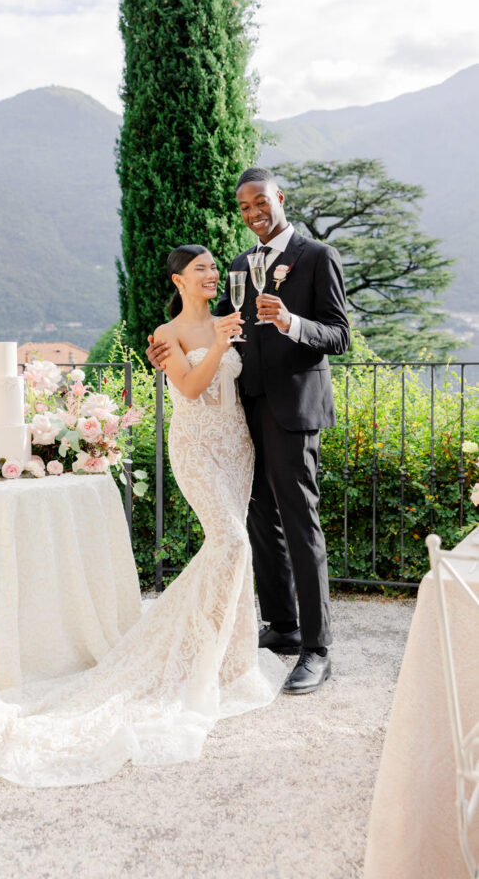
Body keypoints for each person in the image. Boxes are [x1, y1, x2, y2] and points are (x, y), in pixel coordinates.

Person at [0, 244, 286, 786]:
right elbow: (191, 388)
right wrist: (220, 343)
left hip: (237, 446)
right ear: (178, 279)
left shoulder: (231, 321)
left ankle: (228, 656)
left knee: (231, 545)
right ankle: (187, 655)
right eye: (199, 268)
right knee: (232, 543)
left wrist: (235, 337)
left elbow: (244, 382)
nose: (210, 274)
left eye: (212, 268)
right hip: (197, 446)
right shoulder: (164, 335)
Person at [148, 168, 350, 694]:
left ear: (279, 199)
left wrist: (289, 322)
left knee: (300, 521)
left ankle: (317, 646)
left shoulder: (317, 257)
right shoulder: (239, 265)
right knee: (262, 523)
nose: (253, 212)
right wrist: (164, 350)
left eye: (260, 201)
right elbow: (213, 333)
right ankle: (282, 625)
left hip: (293, 409)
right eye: (243, 207)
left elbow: (339, 334)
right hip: (242, 415)